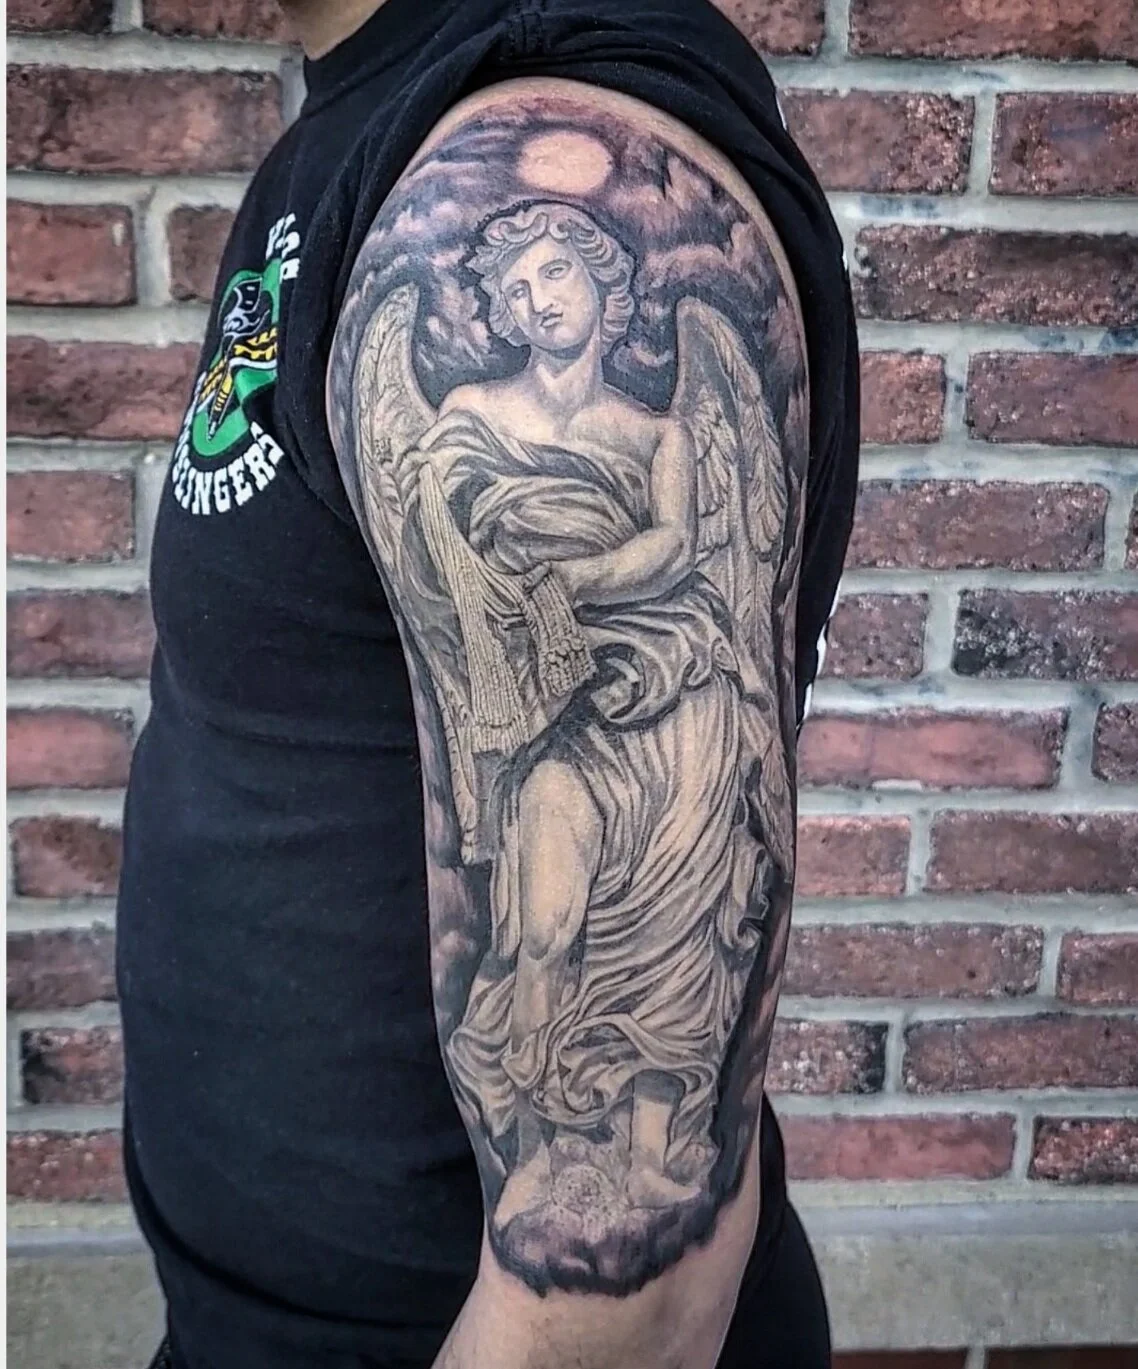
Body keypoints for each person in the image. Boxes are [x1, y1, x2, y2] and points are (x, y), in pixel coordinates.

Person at [118, 2, 859, 1366]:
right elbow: (441, 553)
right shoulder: (378, 160)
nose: (533, 303)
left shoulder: (521, 128)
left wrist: (576, 591)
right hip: (263, 1315)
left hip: (453, 1333)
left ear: (606, 280)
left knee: (577, 908)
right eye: (512, 292)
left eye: (554, 277)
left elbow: (625, 1302)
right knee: (539, 914)